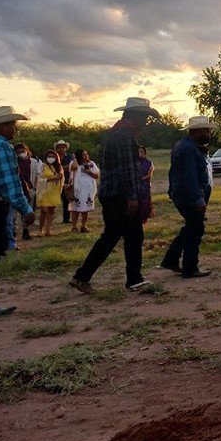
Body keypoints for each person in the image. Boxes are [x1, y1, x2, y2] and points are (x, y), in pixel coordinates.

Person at [71, 97, 154, 294]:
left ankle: (82, 276)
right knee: (133, 236)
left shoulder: (112, 134)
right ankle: (134, 279)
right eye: (145, 117)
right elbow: (127, 168)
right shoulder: (126, 136)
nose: (146, 122)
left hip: (110, 192)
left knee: (110, 236)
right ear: (135, 116)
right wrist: (132, 197)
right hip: (121, 195)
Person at [162, 116, 216, 279]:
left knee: (190, 228)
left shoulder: (183, 145)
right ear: (198, 131)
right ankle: (190, 267)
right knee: (196, 230)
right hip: (190, 196)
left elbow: (174, 172)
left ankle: (171, 259)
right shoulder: (189, 149)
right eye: (207, 130)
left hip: (183, 195)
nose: (209, 133)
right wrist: (198, 199)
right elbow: (190, 176)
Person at [0, 107, 36, 315]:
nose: (15, 128)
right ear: (1, 126)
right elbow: (9, 183)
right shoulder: (2, 147)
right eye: (12, 124)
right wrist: (25, 208)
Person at [67, 149, 100, 233]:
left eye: (86, 154)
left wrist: (89, 172)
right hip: (77, 189)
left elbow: (97, 175)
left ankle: (83, 225)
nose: (86, 156)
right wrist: (75, 159)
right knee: (75, 209)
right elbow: (73, 168)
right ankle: (74, 226)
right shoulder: (75, 163)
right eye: (83, 154)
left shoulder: (91, 164)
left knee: (86, 208)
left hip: (88, 190)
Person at [36, 149, 64, 237]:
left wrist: (60, 178)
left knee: (51, 211)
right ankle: (40, 229)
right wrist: (52, 178)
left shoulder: (58, 167)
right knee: (44, 211)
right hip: (44, 191)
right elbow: (38, 179)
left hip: (54, 191)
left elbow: (61, 178)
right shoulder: (42, 166)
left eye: (53, 157)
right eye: (49, 157)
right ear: (46, 157)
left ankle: (48, 230)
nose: (51, 158)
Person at [14, 143, 35, 241]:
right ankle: (14, 231)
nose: (21, 153)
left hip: (30, 188)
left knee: (28, 210)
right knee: (15, 212)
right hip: (18, 188)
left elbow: (38, 175)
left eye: (23, 151)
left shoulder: (33, 162)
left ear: (27, 150)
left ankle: (26, 231)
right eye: (18, 152)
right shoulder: (14, 162)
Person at [55, 140, 73, 225]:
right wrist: (64, 168)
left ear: (66, 148)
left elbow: (71, 166)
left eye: (62, 147)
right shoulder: (54, 157)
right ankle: (52, 218)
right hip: (56, 181)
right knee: (54, 200)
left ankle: (66, 218)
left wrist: (61, 168)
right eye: (59, 147)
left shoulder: (69, 156)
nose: (61, 149)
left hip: (67, 181)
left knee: (67, 201)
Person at [138, 146, 154, 224]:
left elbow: (149, 176)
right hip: (136, 185)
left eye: (142, 152)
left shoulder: (149, 163)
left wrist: (140, 179)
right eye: (138, 152)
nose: (140, 154)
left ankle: (144, 218)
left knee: (145, 203)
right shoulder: (134, 163)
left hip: (145, 185)